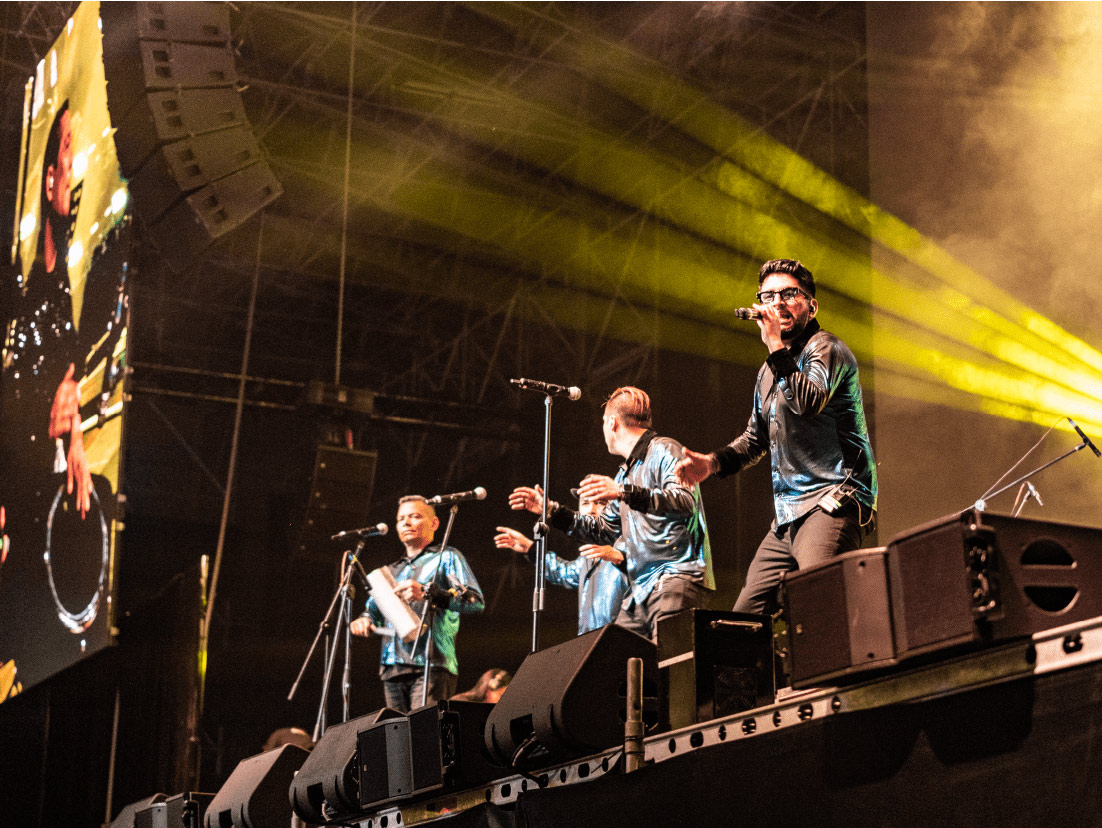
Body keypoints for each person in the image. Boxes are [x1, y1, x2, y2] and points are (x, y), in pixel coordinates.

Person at [675, 258, 877, 615]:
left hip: (834, 498)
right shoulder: (768, 372)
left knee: (816, 602)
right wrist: (712, 462)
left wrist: (774, 346)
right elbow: (756, 439)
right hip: (788, 515)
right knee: (743, 620)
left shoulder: (827, 348)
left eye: (789, 294)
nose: (778, 303)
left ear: (811, 304)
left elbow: (808, 402)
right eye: (768, 296)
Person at [509, 386, 714, 641]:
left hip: (674, 576)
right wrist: (551, 510)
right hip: (641, 590)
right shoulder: (624, 473)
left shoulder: (664, 449)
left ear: (612, 423)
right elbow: (602, 529)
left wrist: (624, 492)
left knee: (669, 668)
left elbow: (685, 501)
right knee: (613, 660)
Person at [350, 495, 484, 713]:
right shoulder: (390, 571)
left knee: (424, 734)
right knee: (399, 737)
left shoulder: (447, 557)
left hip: (432, 663)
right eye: (401, 518)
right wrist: (363, 620)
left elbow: (474, 602)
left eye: (415, 516)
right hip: (393, 666)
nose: (406, 522)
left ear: (434, 523)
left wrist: (429, 594)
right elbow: (371, 611)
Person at [494, 495, 630, 635]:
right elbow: (564, 573)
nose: (591, 510)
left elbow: (645, 570)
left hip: (623, 645)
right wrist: (531, 549)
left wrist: (621, 558)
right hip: (590, 645)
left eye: (601, 503)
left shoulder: (630, 545)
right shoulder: (588, 556)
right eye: (585, 503)